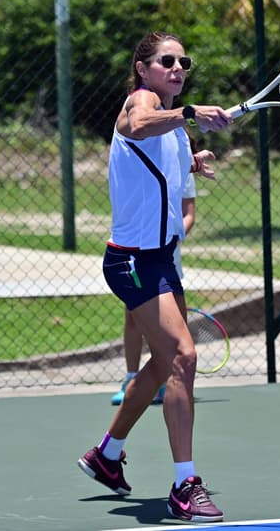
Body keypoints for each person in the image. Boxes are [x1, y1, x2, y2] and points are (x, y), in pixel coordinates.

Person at [76, 31, 230, 522]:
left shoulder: (176, 132)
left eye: (184, 61)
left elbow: (159, 165)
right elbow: (139, 124)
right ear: (143, 68)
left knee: (165, 364)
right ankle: (185, 484)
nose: (178, 68)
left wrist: (193, 158)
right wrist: (189, 112)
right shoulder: (140, 102)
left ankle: (107, 454)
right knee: (184, 356)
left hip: (160, 259)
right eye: (167, 61)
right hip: (132, 261)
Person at [111, 171, 197, 406]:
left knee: (171, 336)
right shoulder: (140, 165)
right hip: (140, 257)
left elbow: (189, 214)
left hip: (167, 258)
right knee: (134, 319)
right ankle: (132, 378)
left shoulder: (184, 169)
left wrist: (172, 238)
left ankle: (164, 381)